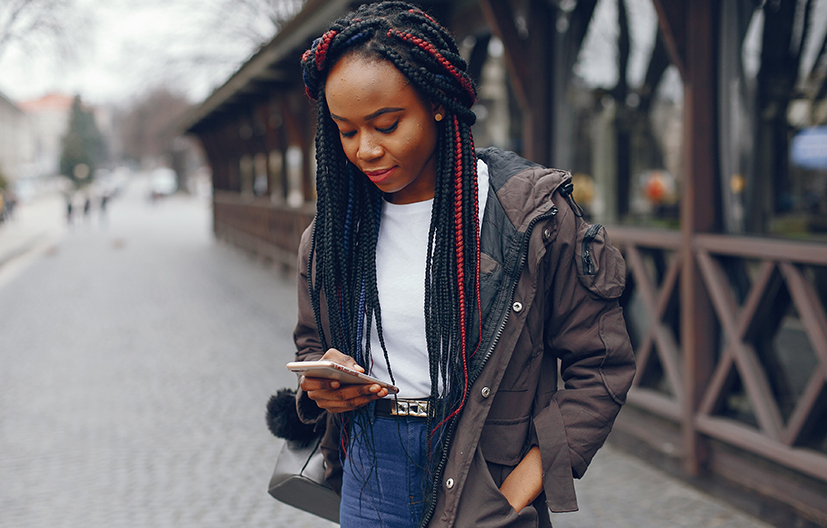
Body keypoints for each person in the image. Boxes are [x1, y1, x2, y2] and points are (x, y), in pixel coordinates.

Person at [292, 3, 636, 527]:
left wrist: (517, 490)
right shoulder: (333, 236)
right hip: (369, 476)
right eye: (345, 131)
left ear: (435, 102)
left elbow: (602, 368)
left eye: (386, 124)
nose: (365, 150)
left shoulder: (528, 219)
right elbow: (312, 345)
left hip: (484, 477)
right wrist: (323, 386)